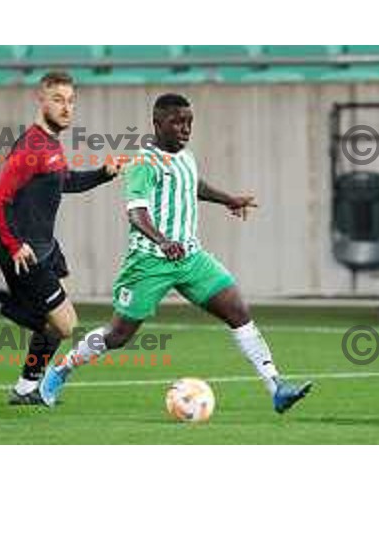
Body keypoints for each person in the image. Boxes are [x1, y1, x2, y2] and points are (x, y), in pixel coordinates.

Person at [37, 93, 312, 414]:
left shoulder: (185, 156)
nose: (185, 128)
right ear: (157, 124)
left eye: (189, 122)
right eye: (177, 122)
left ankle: (276, 387)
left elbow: (192, 184)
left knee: (238, 311)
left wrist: (228, 199)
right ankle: (60, 370)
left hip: (191, 258)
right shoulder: (143, 163)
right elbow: (136, 213)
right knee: (118, 335)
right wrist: (162, 240)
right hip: (149, 263)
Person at [0, 71, 122, 403]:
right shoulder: (31, 145)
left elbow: (65, 181)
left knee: (54, 321)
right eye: (58, 99)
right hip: (25, 251)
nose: (66, 108)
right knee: (63, 325)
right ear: (40, 99)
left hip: (45, 247)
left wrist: (103, 174)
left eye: (71, 101)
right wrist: (14, 245)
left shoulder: (50, 145)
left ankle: (27, 387)